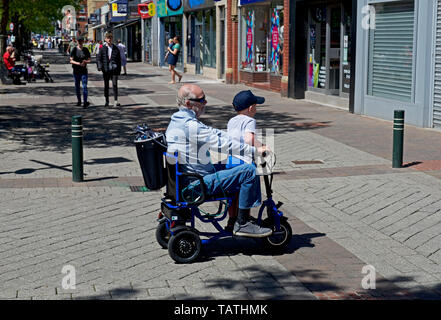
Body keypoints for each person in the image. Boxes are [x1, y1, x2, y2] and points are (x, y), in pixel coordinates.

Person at [165, 84, 272, 238]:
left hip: (189, 178)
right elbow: (223, 144)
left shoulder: (178, 121)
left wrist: (235, 141)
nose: (205, 102)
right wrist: (254, 150)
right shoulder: (190, 126)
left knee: (235, 167)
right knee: (248, 170)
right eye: (201, 100)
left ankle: (234, 218)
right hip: (195, 184)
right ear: (188, 103)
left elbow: (215, 134)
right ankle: (242, 223)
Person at [96, 32, 121, 107]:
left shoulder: (116, 48)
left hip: (114, 70)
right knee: (106, 85)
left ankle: (116, 101)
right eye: (108, 38)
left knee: (115, 84)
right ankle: (106, 101)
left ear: (112, 39)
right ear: (105, 39)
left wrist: (119, 70)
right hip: (106, 70)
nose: (109, 39)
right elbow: (98, 58)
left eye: (110, 38)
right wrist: (100, 67)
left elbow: (119, 60)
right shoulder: (102, 48)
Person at [70, 37, 91, 108]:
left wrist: (85, 61)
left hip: (84, 71)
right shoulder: (74, 49)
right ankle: (79, 101)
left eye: (81, 41)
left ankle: (85, 102)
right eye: (79, 41)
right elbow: (71, 60)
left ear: (83, 41)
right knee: (77, 87)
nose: (80, 42)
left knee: (84, 86)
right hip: (76, 71)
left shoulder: (85, 49)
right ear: (77, 41)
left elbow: (89, 60)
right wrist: (78, 63)